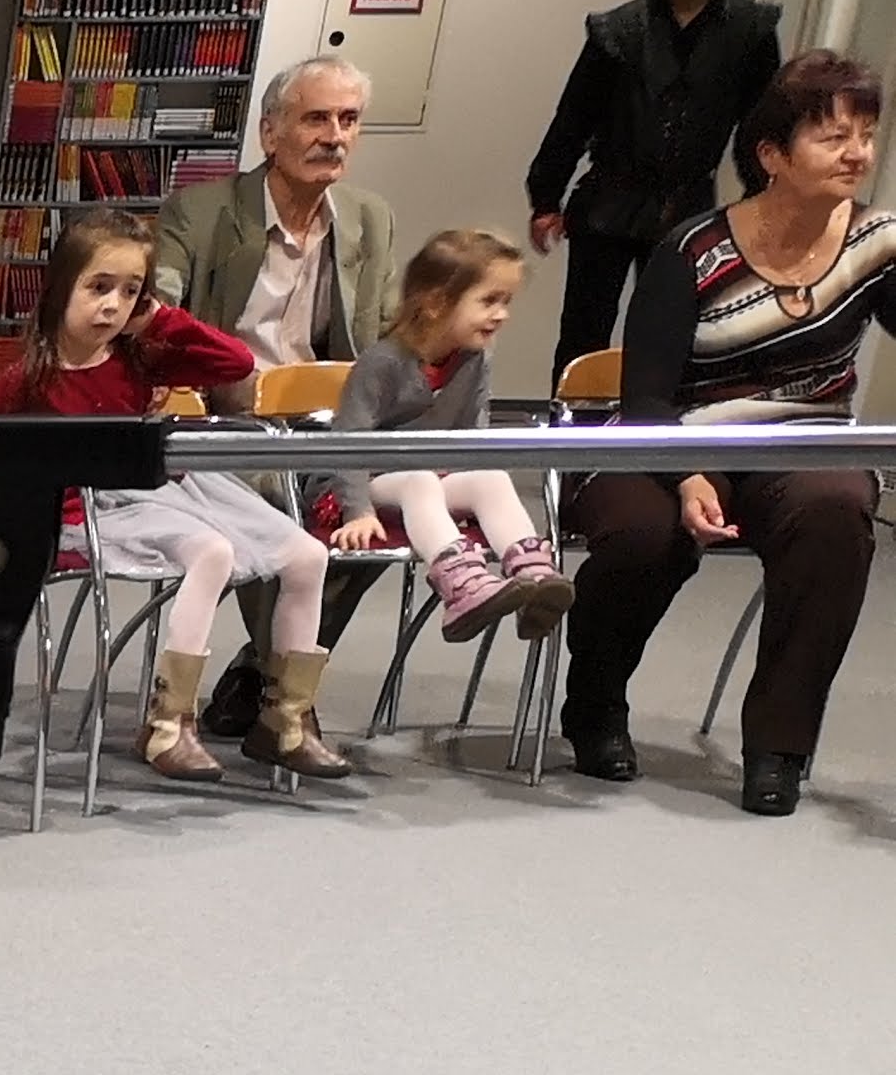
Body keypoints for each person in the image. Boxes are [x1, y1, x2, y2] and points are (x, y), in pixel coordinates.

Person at [561, 49, 895, 816]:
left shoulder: (878, 243)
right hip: (669, 437)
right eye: (833, 137)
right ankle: (595, 705)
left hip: (801, 446)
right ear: (773, 155)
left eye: (867, 135)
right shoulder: (692, 251)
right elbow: (645, 397)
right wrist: (688, 474)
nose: (857, 153)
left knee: (836, 511)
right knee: (643, 534)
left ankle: (778, 748)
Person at [0, 204, 348, 784]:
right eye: (99, 287)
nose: (114, 305)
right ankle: (168, 722)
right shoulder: (27, 378)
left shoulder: (139, 355)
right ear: (60, 287)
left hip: (165, 487)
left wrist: (160, 319)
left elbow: (234, 362)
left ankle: (285, 717)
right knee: (211, 551)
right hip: (89, 506)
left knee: (308, 554)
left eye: (131, 291)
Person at [149, 58, 400, 735]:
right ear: (269, 133)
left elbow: (384, 336)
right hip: (225, 422)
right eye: (316, 119)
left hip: (325, 424)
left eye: (348, 120)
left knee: (381, 509)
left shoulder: (369, 219)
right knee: (273, 501)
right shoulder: (202, 212)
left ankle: (263, 675)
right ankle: (288, 702)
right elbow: (159, 308)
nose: (335, 137)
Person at [528, 0, 788, 375]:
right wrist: (546, 197)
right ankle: (573, 419)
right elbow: (575, 116)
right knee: (584, 333)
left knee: (667, 334)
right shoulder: (618, 31)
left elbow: (760, 125)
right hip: (608, 201)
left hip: (687, 206)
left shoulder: (750, 31)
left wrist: (761, 200)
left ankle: (649, 419)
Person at [316, 229, 577, 646]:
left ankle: (533, 579)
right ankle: (461, 586)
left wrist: (470, 492)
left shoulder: (475, 357)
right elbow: (348, 443)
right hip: (362, 482)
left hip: (430, 478)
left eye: (506, 302)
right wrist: (357, 511)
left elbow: (472, 437)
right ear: (436, 303)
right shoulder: (382, 362)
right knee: (419, 480)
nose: (502, 314)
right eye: (489, 301)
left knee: (491, 478)